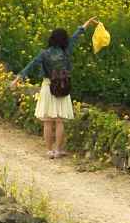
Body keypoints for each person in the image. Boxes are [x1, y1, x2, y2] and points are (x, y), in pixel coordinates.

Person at [13, 18, 97, 158]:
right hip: (63, 86)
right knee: (59, 121)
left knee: (47, 121)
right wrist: (87, 23)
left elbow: (30, 65)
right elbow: (77, 35)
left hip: (48, 86)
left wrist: (17, 79)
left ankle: (49, 150)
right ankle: (58, 150)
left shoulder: (43, 53)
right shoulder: (66, 50)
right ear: (64, 40)